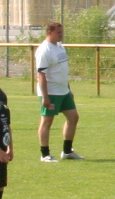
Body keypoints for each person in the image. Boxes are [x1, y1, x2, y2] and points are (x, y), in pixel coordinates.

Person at [33, 22, 80, 162]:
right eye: (58, 32)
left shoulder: (59, 46)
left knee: (73, 117)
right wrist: (45, 97)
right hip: (51, 91)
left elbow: (62, 70)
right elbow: (41, 75)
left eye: (62, 31)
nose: (61, 34)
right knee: (47, 121)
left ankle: (67, 151)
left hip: (63, 91)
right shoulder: (44, 50)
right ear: (50, 32)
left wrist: (68, 89)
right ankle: (45, 154)